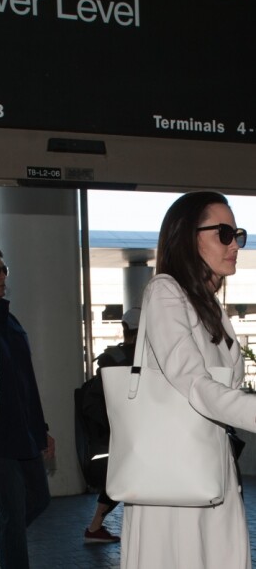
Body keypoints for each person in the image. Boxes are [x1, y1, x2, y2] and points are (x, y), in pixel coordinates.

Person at [121, 191, 256, 569]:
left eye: (237, 234)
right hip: (174, 475)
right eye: (224, 233)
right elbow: (194, 384)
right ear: (187, 236)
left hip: (212, 468)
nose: (235, 244)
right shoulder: (165, 292)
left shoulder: (210, 304)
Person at [0, 246, 54, 569]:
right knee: (12, 514)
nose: (2, 276)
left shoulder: (9, 321)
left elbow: (26, 382)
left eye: (3, 270)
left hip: (25, 436)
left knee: (39, 501)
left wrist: (41, 430)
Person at [83, 308, 140, 544]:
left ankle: (95, 527)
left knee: (120, 478)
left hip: (115, 430)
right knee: (129, 479)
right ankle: (100, 528)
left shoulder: (111, 357)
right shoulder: (146, 357)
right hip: (138, 429)